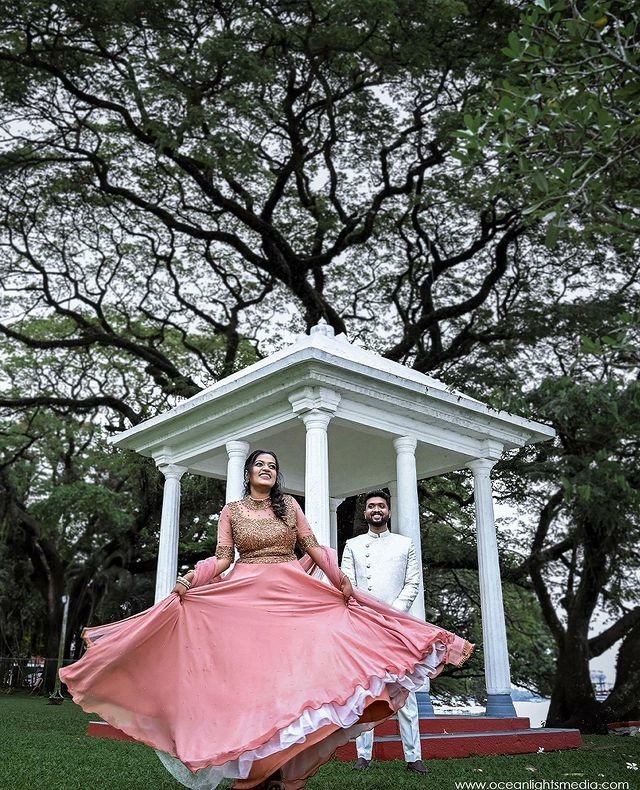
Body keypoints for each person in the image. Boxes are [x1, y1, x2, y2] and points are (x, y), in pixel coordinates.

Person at [60, 450, 472, 790]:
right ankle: (255, 764)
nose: (268, 470)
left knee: (295, 678)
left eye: (273, 467)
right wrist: (191, 578)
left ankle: (279, 767)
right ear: (248, 472)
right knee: (253, 684)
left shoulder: (290, 506)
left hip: (293, 593)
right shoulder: (232, 511)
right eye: (261, 465)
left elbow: (312, 546)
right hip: (246, 596)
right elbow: (223, 559)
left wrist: (340, 581)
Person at [341, 490, 427, 774]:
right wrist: (370, 614)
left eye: (381, 506)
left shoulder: (405, 544)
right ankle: (363, 755)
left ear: (388, 511)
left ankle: (414, 756)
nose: (376, 510)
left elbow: (412, 583)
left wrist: (392, 612)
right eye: (371, 506)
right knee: (367, 690)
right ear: (365, 513)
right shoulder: (353, 545)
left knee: (407, 690)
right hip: (366, 625)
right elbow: (347, 585)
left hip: (398, 626)